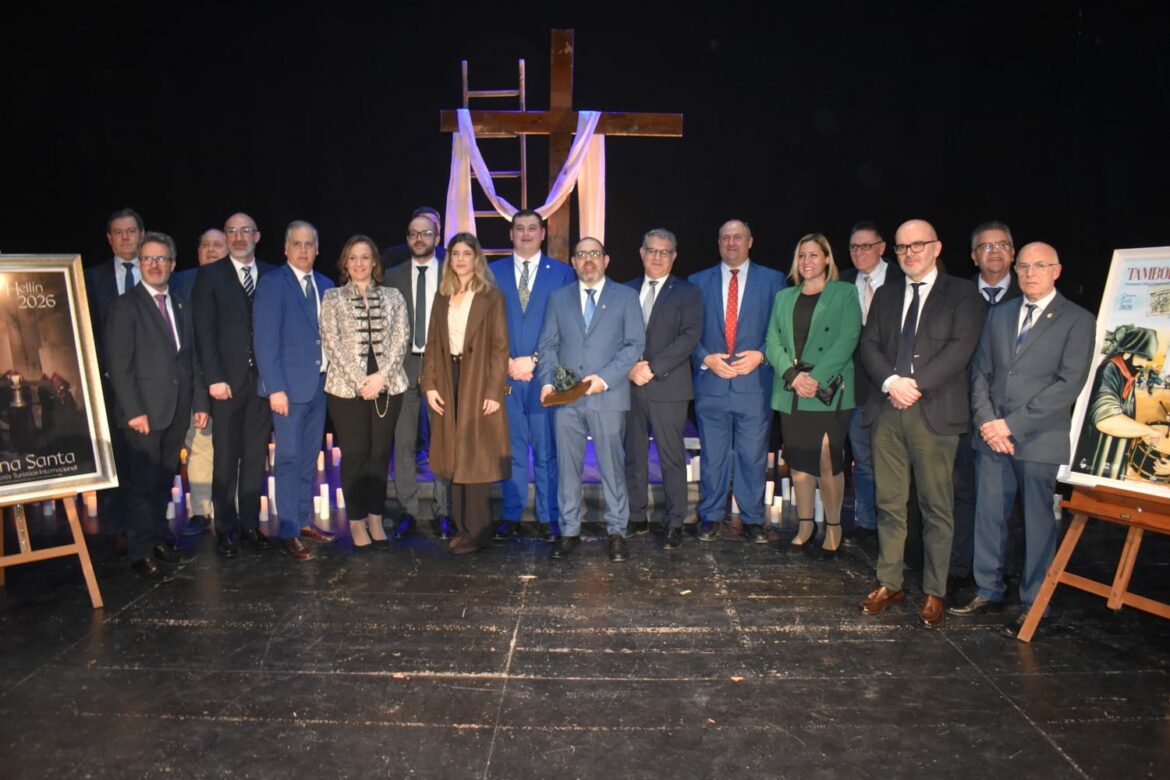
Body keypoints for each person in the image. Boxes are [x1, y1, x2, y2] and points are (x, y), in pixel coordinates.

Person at [949, 242, 1096, 637]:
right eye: (1024, 267)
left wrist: (1009, 425)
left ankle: (1035, 601)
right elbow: (980, 373)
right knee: (989, 516)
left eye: (1040, 266)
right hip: (992, 437)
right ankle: (987, 589)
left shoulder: (1078, 320)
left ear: (1057, 271)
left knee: (1037, 522)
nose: (1030, 273)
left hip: (1037, 438)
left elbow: (1069, 384)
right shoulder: (999, 314)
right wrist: (987, 422)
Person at [857, 219, 985, 629]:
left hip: (933, 411)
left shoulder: (962, 293)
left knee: (936, 507)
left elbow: (960, 349)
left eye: (917, 246)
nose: (909, 253)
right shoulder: (887, 294)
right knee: (889, 503)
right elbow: (870, 345)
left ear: (936, 247)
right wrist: (892, 382)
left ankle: (934, 591)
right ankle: (889, 581)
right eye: (902, 248)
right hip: (887, 409)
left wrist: (915, 385)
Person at [104, 231, 208, 581]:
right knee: (141, 485)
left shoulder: (180, 303)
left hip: (176, 411)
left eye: (161, 259)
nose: (153, 265)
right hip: (142, 414)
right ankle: (139, 551)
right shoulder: (125, 306)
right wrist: (134, 411)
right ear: (139, 263)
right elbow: (120, 366)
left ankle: (157, 538)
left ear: (173, 265)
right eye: (147, 259)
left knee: (163, 481)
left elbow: (190, 359)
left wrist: (198, 402)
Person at [540, 237, 645, 562]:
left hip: (608, 395)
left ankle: (617, 531)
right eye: (582, 255)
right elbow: (549, 345)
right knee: (567, 468)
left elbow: (634, 345)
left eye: (594, 254)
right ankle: (569, 530)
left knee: (612, 466)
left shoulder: (626, 297)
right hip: (566, 397)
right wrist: (547, 382)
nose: (588, 260)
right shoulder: (559, 298)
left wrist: (604, 378)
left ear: (606, 260)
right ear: (573, 261)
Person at [689, 219, 786, 543]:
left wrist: (762, 354)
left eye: (737, 237)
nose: (731, 243)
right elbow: (688, 332)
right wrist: (705, 357)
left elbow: (782, 330)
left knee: (752, 455)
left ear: (750, 241)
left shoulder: (773, 280)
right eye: (725, 237)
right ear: (718, 243)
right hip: (711, 384)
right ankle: (711, 516)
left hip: (754, 384)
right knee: (713, 456)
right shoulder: (697, 281)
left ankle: (753, 518)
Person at [765, 233, 861, 558]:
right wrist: (793, 377)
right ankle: (805, 525)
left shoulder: (844, 293)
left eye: (813, 256)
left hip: (827, 392)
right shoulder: (784, 297)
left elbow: (848, 338)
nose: (807, 262)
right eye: (802, 256)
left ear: (827, 259)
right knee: (799, 463)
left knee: (827, 459)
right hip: (792, 391)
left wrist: (814, 379)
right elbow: (772, 342)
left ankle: (833, 527)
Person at [489, 209, 577, 542]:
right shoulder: (492, 272)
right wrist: (508, 361)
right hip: (506, 375)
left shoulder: (563, 274)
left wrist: (536, 360)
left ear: (543, 234)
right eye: (519, 228)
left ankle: (548, 515)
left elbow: (568, 326)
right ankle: (511, 515)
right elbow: (484, 326)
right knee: (509, 449)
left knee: (547, 449)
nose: (526, 234)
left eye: (532, 228)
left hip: (546, 377)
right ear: (511, 235)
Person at [192, 212, 276, 558]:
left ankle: (250, 526)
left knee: (255, 458)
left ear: (257, 235)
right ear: (225, 238)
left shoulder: (272, 274)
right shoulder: (210, 275)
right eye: (232, 231)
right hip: (226, 383)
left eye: (245, 230)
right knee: (225, 458)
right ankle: (225, 528)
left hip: (263, 384)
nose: (239, 236)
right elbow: (204, 332)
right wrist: (213, 378)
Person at [420, 233, 511, 553]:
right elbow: (432, 344)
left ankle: (478, 530)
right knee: (454, 456)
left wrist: (493, 390)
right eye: (455, 253)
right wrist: (428, 384)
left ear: (477, 259)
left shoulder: (490, 295)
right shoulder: (442, 295)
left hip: (477, 379)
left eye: (466, 253)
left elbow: (500, 348)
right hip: (448, 377)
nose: (459, 259)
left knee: (476, 456)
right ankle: (462, 527)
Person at [254, 220, 336, 561]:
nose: (303, 250)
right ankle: (288, 530)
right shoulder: (273, 284)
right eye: (297, 244)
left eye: (309, 244)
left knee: (307, 459)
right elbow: (265, 340)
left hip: (319, 386)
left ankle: (303, 521)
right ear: (286, 249)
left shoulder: (326, 284)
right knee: (287, 459)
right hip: (287, 389)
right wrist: (275, 388)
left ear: (317, 249)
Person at [321, 236, 410, 549]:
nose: (359, 263)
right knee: (356, 454)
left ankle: (375, 516)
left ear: (375, 262)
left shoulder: (393, 296)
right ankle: (356, 522)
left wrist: (381, 378)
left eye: (365, 257)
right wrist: (362, 380)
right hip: (347, 389)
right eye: (353, 258)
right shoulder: (332, 297)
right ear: (345, 263)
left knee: (379, 454)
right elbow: (332, 343)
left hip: (388, 386)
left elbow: (402, 339)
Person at [950, 220, 1022, 592]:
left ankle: (1003, 571)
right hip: (963, 411)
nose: (993, 252)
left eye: (1001, 245)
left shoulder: (1029, 297)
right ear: (973, 256)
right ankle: (962, 569)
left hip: (1014, 419)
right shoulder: (958, 295)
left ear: (1013, 251)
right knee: (962, 493)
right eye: (985, 246)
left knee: (1007, 501)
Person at [624, 229, 702, 551]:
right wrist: (630, 368)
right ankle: (637, 516)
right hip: (630, 385)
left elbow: (689, 337)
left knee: (671, 458)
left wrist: (652, 368)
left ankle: (674, 522)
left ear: (674, 256)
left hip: (668, 386)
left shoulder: (687, 292)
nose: (657, 256)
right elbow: (615, 337)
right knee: (634, 456)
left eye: (664, 252)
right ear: (641, 253)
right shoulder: (625, 291)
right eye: (652, 250)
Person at [384, 212, 451, 539]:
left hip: (441, 366)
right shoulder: (392, 276)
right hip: (403, 366)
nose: (419, 239)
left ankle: (444, 511)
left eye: (426, 233)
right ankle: (407, 511)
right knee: (404, 441)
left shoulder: (453, 273)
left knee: (442, 441)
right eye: (413, 234)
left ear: (437, 238)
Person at [85, 207, 145, 555]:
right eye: (118, 233)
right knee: (115, 458)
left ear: (141, 234)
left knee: (147, 461)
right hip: (106, 387)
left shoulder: (158, 272)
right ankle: (119, 526)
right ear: (109, 239)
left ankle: (148, 527)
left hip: (149, 384)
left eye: (131, 231)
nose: (125, 238)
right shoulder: (91, 279)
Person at [838, 221, 902, 544]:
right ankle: (867, 522)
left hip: (897, 390)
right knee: (862, 459)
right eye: (854, 247)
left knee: (895, 463)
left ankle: (898, 531)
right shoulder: (844, 282)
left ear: (881, 247)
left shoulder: (902, 278)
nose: (859, 252)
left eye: (866, 246)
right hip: (857, 388)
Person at [171, 227, 229, 537]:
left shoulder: (239, 279)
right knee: (199, 445)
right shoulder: (179, 282)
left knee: (232, 447)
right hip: (193, 378)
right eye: (205, 244)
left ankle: (229, 508)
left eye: (217, 244)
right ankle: (201, 512)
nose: (210, 250)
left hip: (232, 381)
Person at [1072, 325, 1166, 480]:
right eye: (1141, 357)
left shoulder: (1127, 375)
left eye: (1147, 359)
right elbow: (1106, 419)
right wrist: (1149, 431)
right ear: (1128, 352)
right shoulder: (1110, 371)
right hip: (1092, 465)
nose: (1144, 364)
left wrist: (1140, 432)